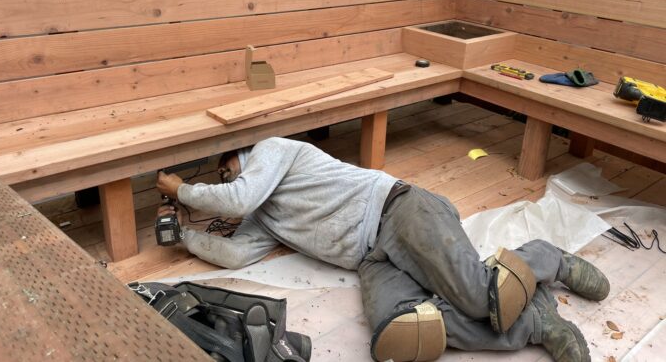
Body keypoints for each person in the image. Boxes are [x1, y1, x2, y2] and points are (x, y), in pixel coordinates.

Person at [157, 137, 609, 362]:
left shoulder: (273, 150)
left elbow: (238, 196)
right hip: (370, 258)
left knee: (475, 296)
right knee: (399, 336)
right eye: (221, 178)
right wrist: (184, 237)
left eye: (227, 168)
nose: (226, 178)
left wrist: (183, 190)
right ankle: (535, 321)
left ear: (242, 154)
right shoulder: (264, 215)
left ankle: (549, 258)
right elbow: (236, 255)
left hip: (399, 209)